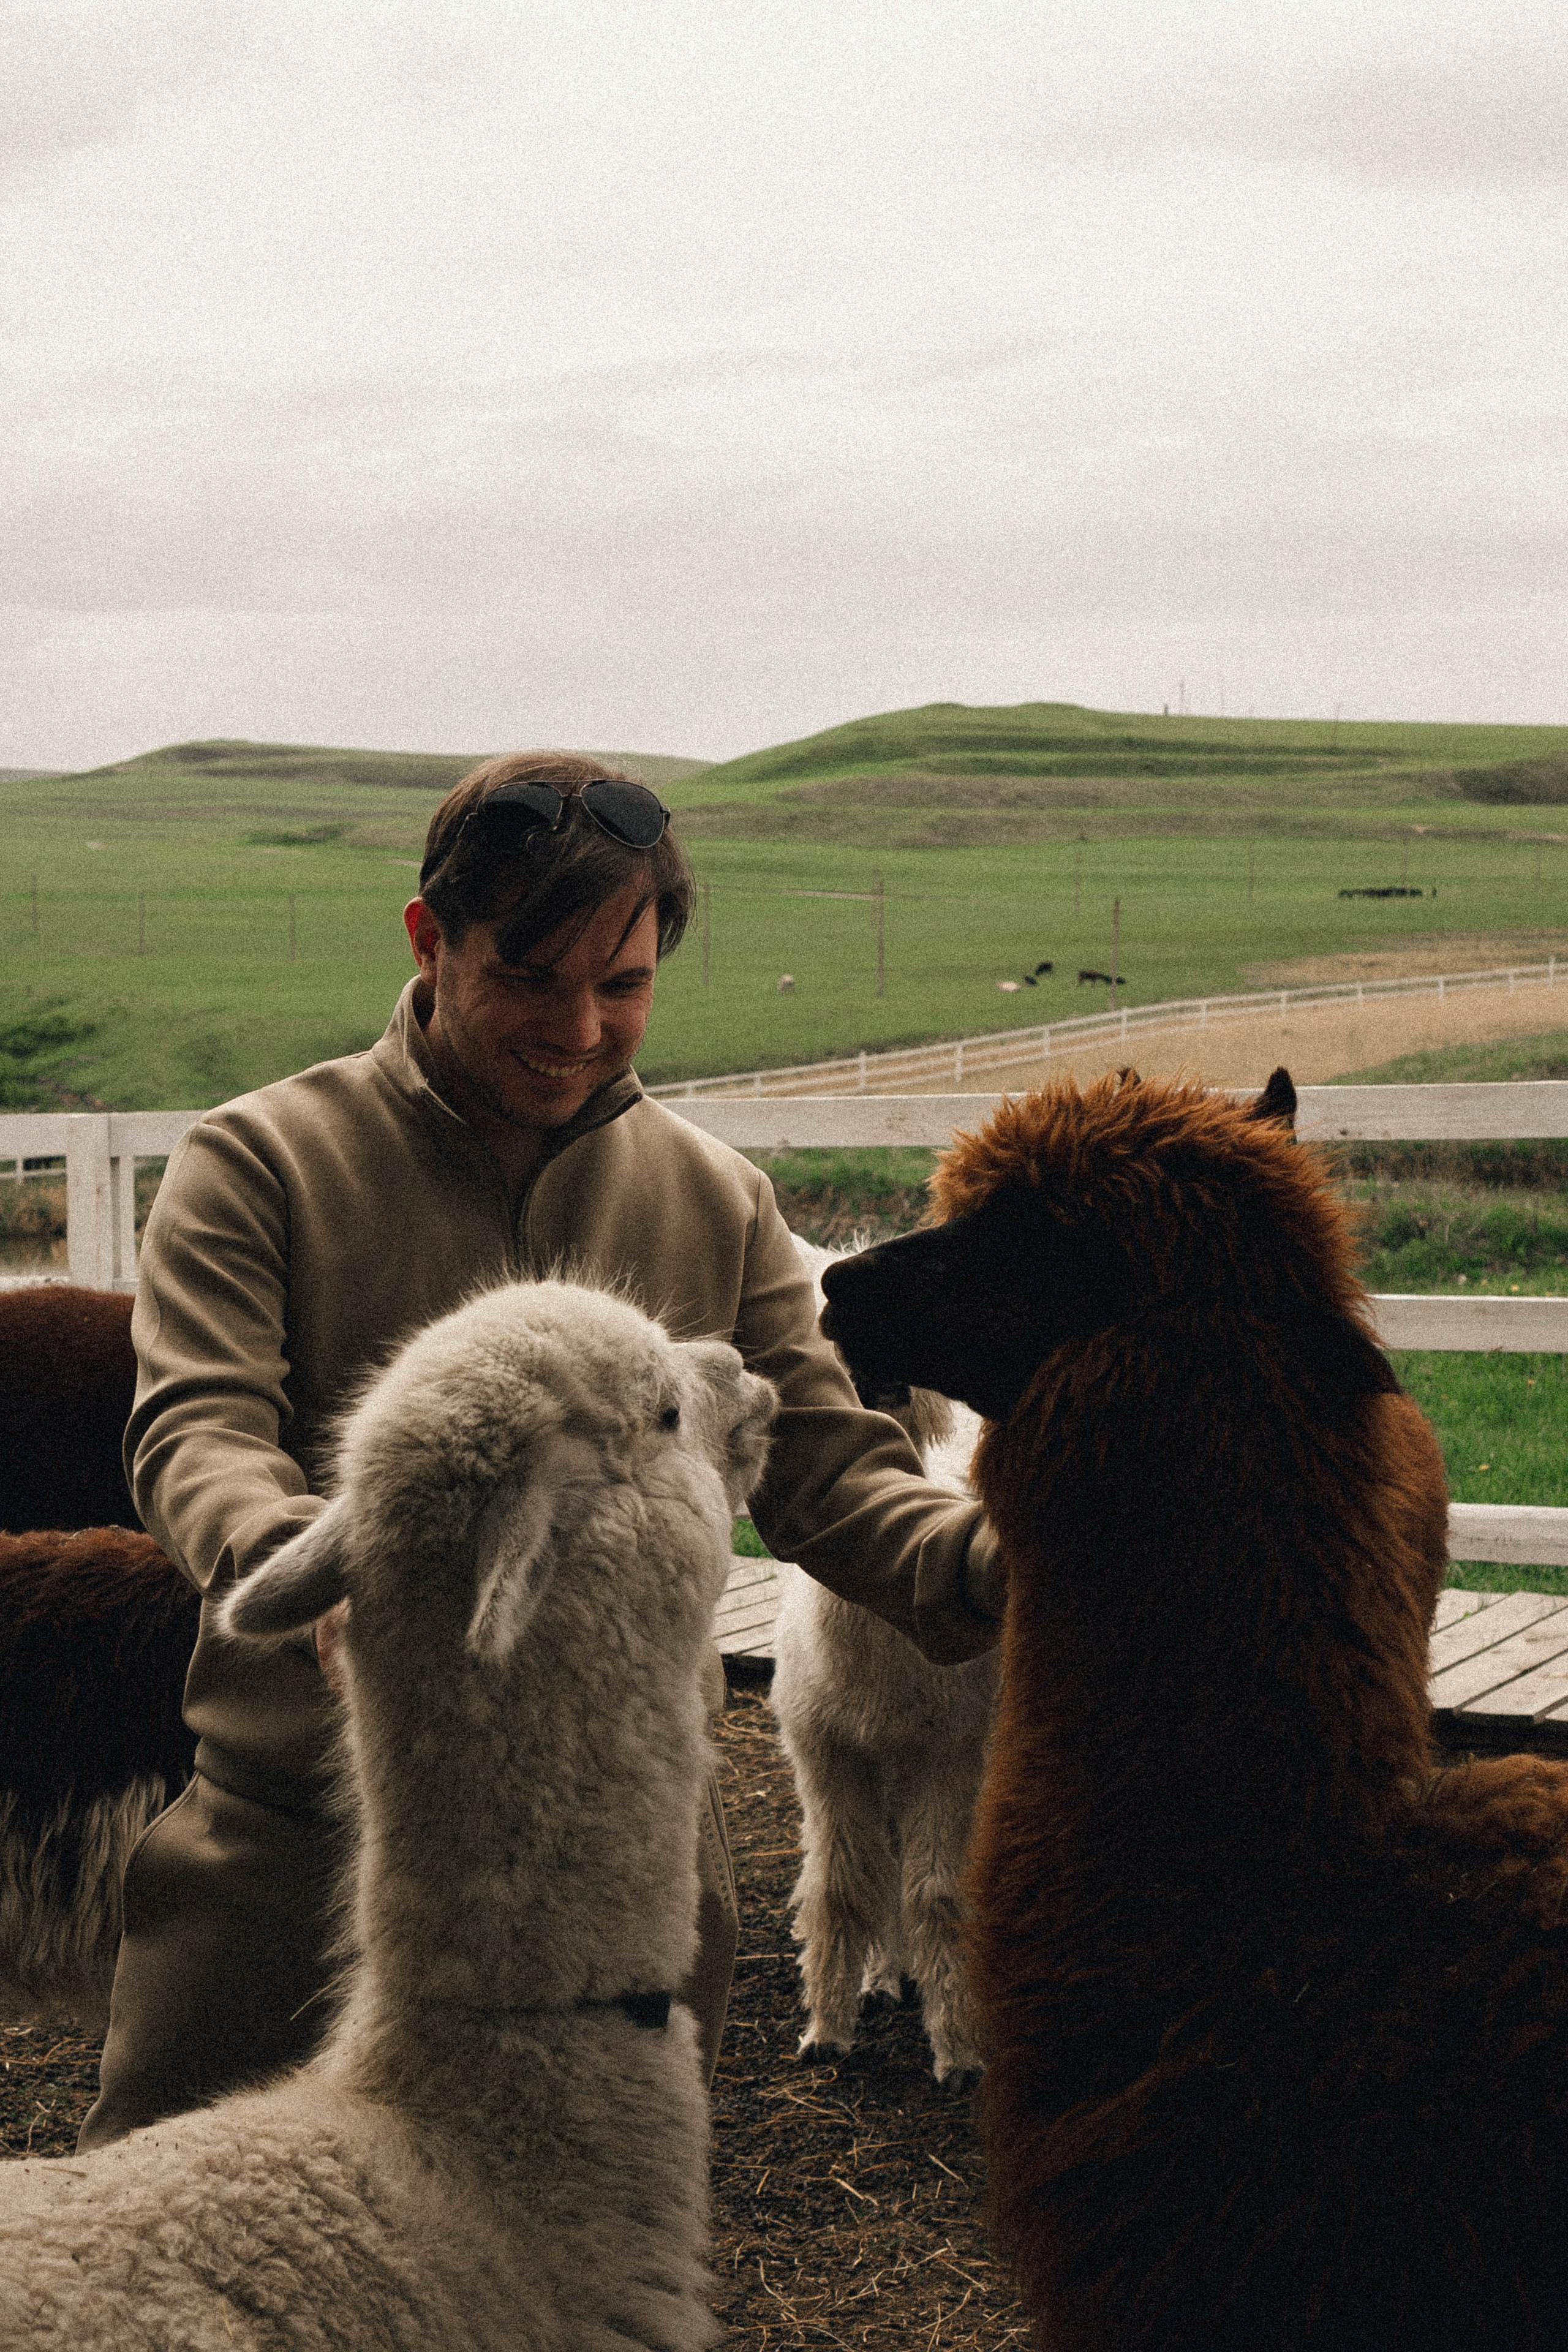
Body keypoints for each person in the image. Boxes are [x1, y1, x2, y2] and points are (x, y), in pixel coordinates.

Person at [79, 752, 1000, 2150]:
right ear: (428, 939)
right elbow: (196, 1426)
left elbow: (828, 1465)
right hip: (306, 1848)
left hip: (623, 1877)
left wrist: (998, 1558)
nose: (577, 1027)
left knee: (575, 2271)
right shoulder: (261, 1164)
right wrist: (301, 1562)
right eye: (528, 974)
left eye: (621, 985)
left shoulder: (711, 1200)